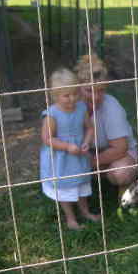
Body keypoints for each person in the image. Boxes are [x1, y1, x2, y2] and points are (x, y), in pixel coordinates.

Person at [40, 67, 100, 230]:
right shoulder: (52, 114)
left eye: (75, 93)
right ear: (55, 95)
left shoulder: (81, 108)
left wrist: (87, 141)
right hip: (61, 158)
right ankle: (70, 218)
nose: (72, 98)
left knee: (81, 184)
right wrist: (66, 146)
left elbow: (89, 127)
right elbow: (47, 138)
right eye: (66, 95)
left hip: (79, 154)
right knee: (64, 188)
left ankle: (85, 211)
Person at [74, 54, 138, 197]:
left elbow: (120, 149)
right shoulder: (69, 107)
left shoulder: (111, 106)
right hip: (86, 153)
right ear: (78, 87)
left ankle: (125, 193)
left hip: (119, 155)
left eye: (101, 90)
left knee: (121, 172)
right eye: (89, 90)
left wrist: (88, 164)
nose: (95, 97)